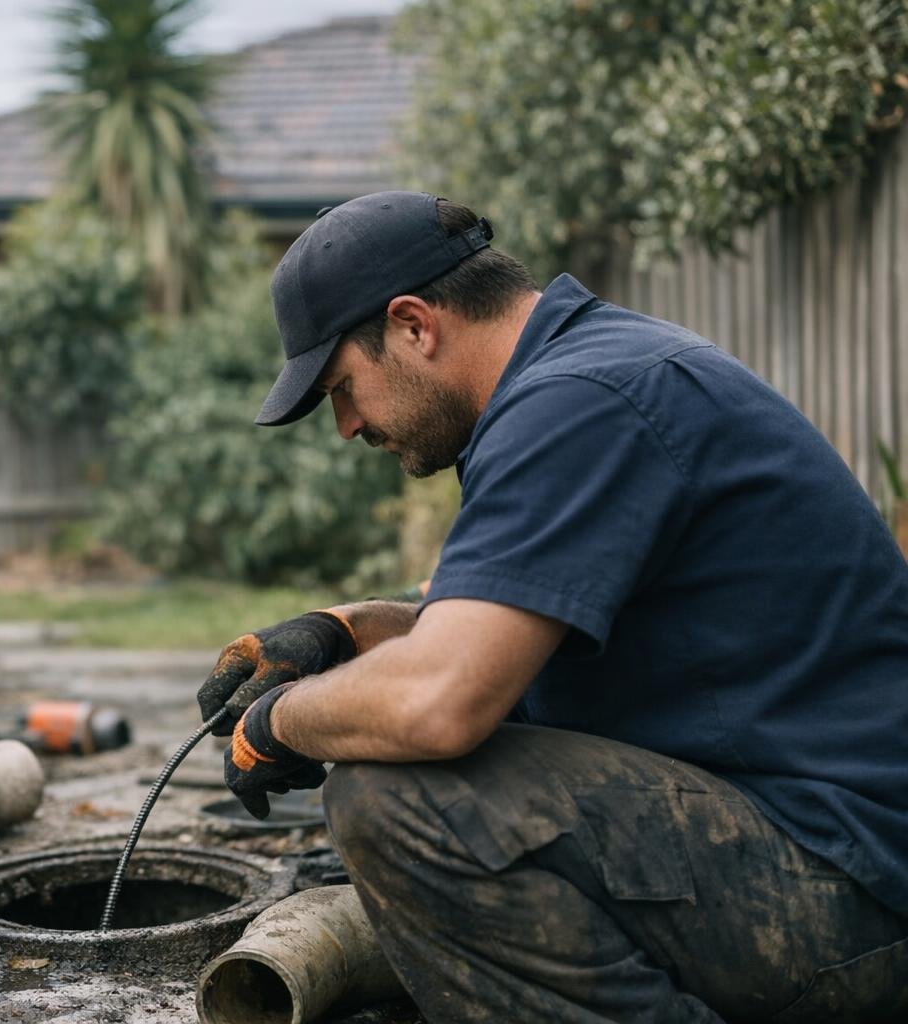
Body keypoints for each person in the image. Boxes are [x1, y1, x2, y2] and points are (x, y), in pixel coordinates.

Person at [199, 191, 908, 1021]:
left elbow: (442, 700)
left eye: (341, 388)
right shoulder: (581, 376)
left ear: (414, 325)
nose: (347, 427)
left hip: (846, 889)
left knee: (399, 804)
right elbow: (485, 629)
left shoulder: (582, 401)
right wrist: (339, 631)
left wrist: (278, 721)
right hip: (820, 850)